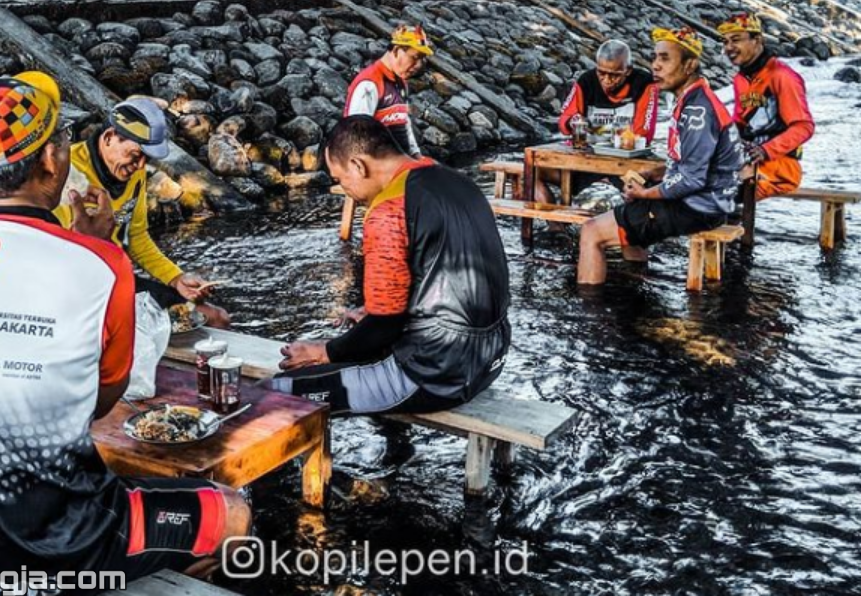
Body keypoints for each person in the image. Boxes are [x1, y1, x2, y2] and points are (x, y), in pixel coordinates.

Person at [0, 72, 250, 588]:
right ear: (51, 160)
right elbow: (96, 402)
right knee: (232, 514)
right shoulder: (98, 263)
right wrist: (101, 247)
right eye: (64, 139)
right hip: (54, 541)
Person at [270, 117, 510, 415]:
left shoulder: (388, 209)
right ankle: (395, 452)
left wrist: (325, 350)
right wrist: (372, 312)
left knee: (277, 393)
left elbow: (384, 326)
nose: (345, 190)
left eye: (340, 179)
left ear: (358, 166)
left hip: (436, 374)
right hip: (491, 359)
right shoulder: (457, 181)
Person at [577, 28, 743, 286]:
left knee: (592, 231)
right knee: (626, 213)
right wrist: (654, 174)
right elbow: (692, 163)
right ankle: (634, 288)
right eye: (655, 58)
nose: (655, 65)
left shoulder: (696, 112)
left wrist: (645, 194)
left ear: (689, 65)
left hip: (699, 207)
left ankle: (589, 315)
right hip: (712, 201)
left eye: (665, 59)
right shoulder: (694, 99)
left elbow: (691, 180)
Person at [54, 97, 230, 328]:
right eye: (135, 156)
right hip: (73, 295)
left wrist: (176, 278)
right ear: (108, 138)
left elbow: (136, 236)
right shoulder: (65, 173)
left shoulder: (133, 174)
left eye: (146, 159)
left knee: (215, 318)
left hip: (117, 282)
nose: (139, 167)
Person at [536, 39, 660, 203]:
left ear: (628, 70)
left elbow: (644, 131)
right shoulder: (586, 81)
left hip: (624, 162)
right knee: (531, 173)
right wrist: (573, 122)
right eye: (601, 73)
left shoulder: (644, 84)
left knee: (643, 188)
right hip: (588, 158)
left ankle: (623, 224)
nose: (607, 80)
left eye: (615, 75)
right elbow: (564, 120)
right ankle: (556, 227)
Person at [717, 13, 815, 199]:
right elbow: (739, 122)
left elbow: (804, 127)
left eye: (736, 40)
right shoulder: (740, 79)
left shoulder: (782, 76)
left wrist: (765, 150)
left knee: (714, 193)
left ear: (757, 40)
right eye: (725, 42)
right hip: (747, 161)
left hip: (781, 167)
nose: (729, 48)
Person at [344, 24, 433, 158]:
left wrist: (415, 153)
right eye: (415, 57)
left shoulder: (400, 82)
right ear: (396, 50)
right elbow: (357, 136)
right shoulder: (369, 84)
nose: (418, 65)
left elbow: (403, 121)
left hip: (398, 163)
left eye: (422, 60)